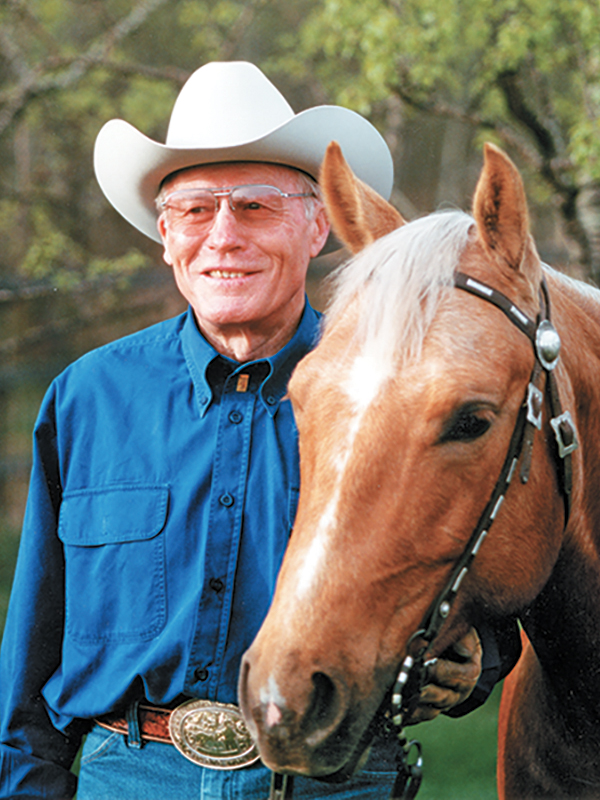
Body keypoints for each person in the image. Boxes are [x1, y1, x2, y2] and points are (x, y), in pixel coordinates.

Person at [0, 61, 520, 799]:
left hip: (331, 777)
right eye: (194, 211)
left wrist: (484, 658)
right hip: (128, 777)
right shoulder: (89, 397)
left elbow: (485, 549)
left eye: (254, 206)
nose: (222, 237)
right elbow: (30, 657)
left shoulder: (386, 389)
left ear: (316, 227)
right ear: (164, 237)